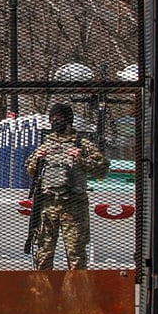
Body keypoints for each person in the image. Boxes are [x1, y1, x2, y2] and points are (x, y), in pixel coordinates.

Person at [25, 102, 108, 270]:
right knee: (43, 253)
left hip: (73, 206)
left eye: (59, 119)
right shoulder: (45, 144)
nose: (55, 122)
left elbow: (102, 171)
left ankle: (77, 293)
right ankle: (44, 293)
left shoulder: (82, 144)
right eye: (52, 119)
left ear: (68, 120)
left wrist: (82, 160)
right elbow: (29, 169)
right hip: (48, 206)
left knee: (75, 252)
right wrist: (37, 159)